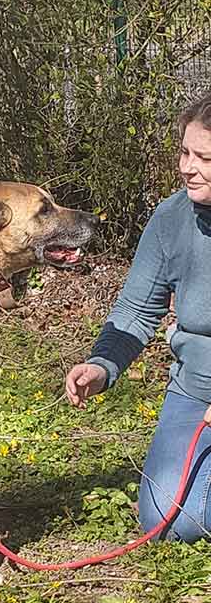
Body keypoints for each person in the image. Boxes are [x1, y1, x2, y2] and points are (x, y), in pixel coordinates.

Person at [65, 94, 211, 543]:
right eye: (185, 152)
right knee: (169, 521)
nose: (187, 167)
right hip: (196, 388)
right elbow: (135, 309)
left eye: (204, 157)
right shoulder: (170, 219)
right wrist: (101, 364)